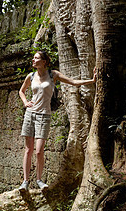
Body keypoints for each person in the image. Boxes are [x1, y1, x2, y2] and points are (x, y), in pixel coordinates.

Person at [18, 51, 96, 191]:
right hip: (30, 114)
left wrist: (92, 80)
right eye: (33, 58)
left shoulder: (53, 75)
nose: (33, 60)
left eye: (36, 58)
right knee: (28, 150)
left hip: (44, 116)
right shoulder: (31, 76)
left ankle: (39, 180)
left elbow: (73, 82)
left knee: (39, 151)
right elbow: (21, 91)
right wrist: (25, 102)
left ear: (44, 61)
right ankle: (25, 181)